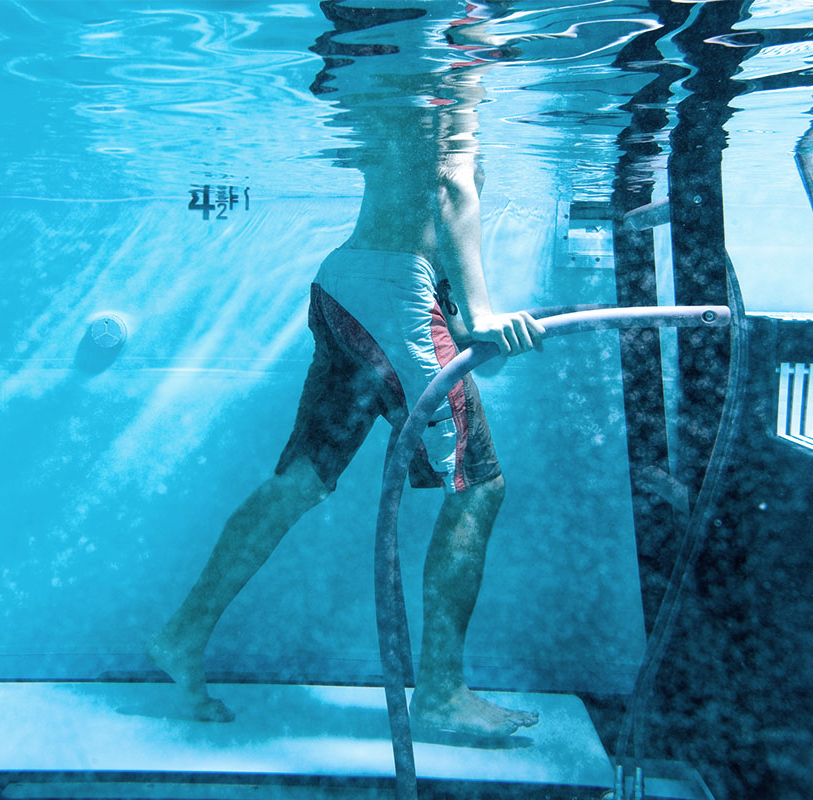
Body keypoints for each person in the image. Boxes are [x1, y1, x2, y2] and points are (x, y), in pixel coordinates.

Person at [148, 1, 544, 739]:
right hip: (392, 292)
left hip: (348, 284)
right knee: (479, 487)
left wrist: (460, 317)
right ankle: (442, 692)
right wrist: (482, 314)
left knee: (299, 481)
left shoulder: (406, 62)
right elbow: (451, 183)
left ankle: (183, 632)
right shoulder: (461, 51)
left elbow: (418, 192)